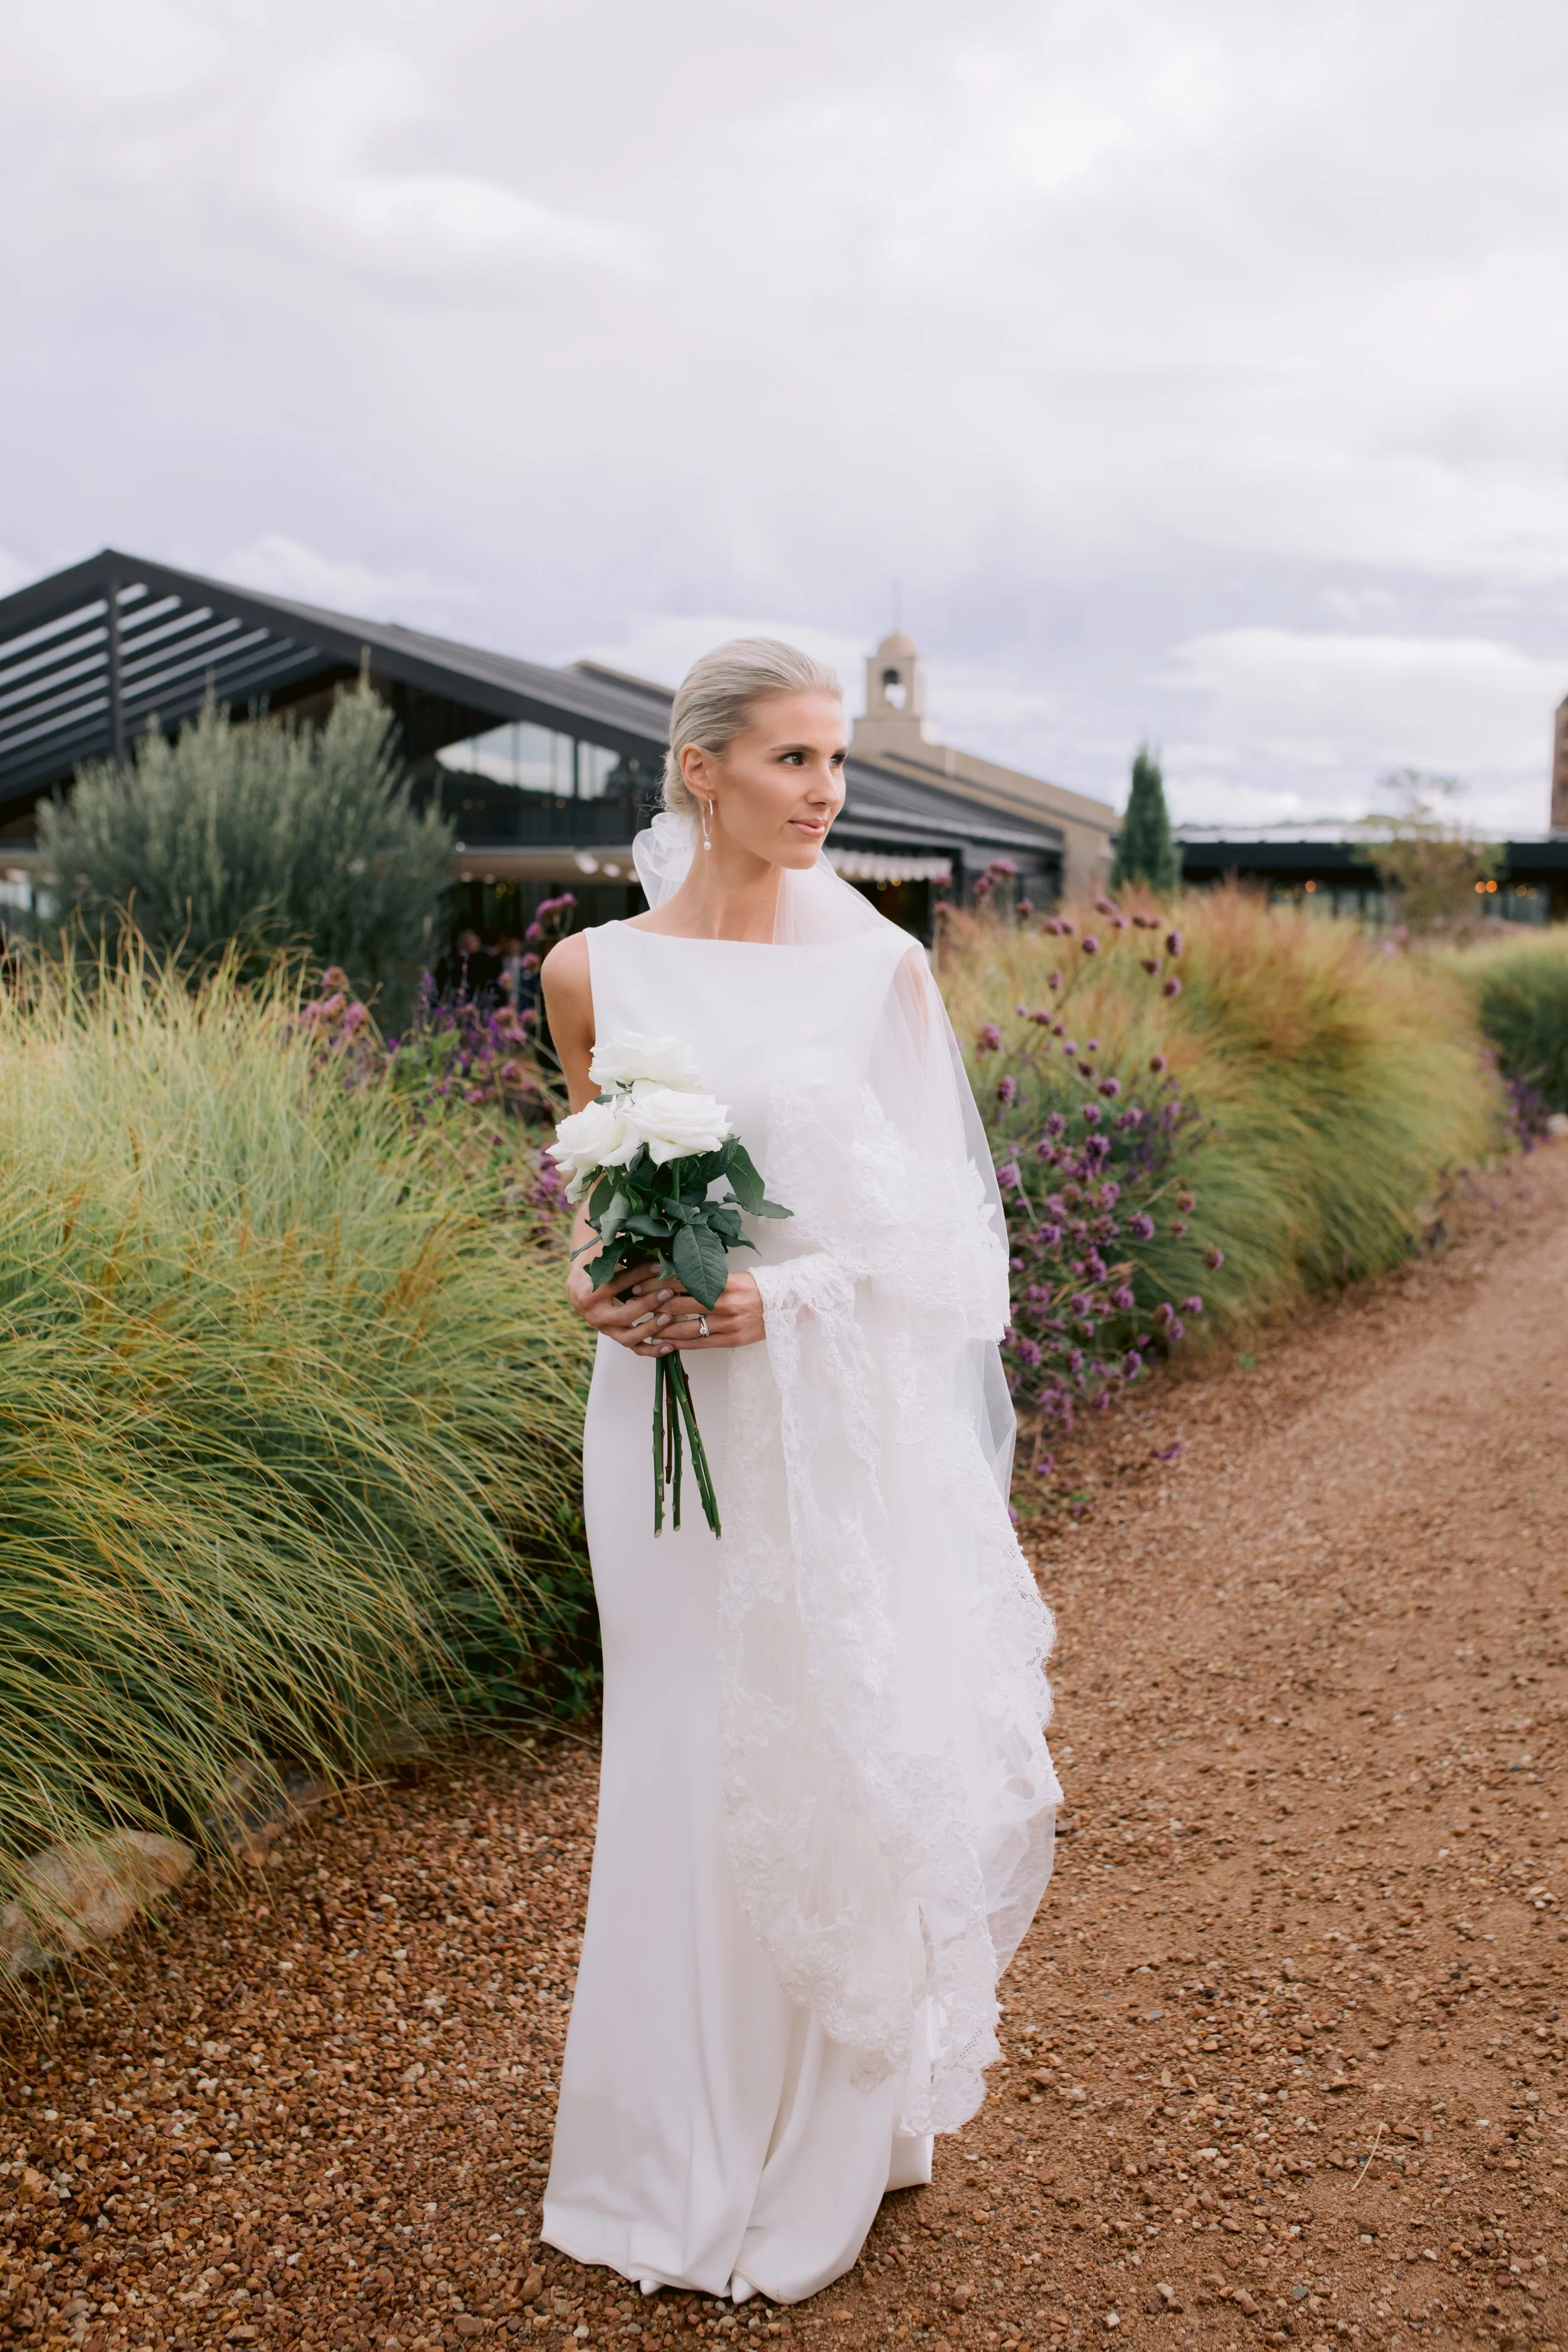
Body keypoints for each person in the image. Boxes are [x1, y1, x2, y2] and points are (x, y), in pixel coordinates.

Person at [538, 642, 1059, 2307]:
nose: (826, 789)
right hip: (656, 1427)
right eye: (791, 759)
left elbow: (948, 1261)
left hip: (816, 1431)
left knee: (817, 1734)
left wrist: (787, 1298)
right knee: (677, 1748)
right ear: (701, 770)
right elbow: (587, 1200)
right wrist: (591, 1288)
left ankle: (831, 2120)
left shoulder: (880, 977)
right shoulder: (590, 969)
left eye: (834, 758)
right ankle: (667, 2135)